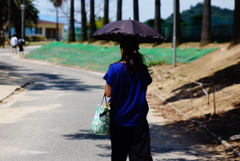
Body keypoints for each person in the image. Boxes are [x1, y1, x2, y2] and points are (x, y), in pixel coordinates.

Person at [103, 36, 153, 161]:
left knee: (119, 154)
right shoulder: (142, 69)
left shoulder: (114, 68)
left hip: (118, 118)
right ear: (137, 50)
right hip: (138, 118)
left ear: (122, 50)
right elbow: (144, 90)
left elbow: (108, 93)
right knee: (140, 154)